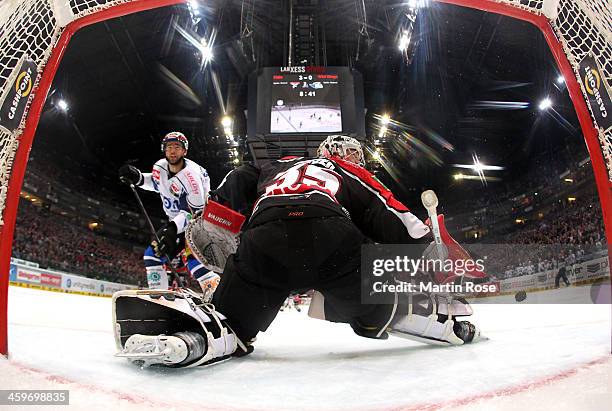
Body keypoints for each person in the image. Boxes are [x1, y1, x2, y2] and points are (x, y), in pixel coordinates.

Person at [115, 135, 485, 367]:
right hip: (331, 238)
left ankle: (190, 341)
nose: (357, 160)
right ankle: (442, 324)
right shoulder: (343, 171)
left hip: (265, 240)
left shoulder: (272, 168)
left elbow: (234, 187)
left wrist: (212, 221)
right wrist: (425, 251)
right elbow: (387, 214)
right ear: (336, 154)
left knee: (234, 326)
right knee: (376, 311)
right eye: (351, 154)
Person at [118, 131, 219, 297]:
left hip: (199, 223)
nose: (172, 151)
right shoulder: (159, 167)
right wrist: (139, 179)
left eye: (177, 147)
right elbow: (157, 183)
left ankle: (218, 294)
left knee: (194, 261)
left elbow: (196, 213)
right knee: (152, 256)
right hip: (177, 222)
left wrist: (172, 229)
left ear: (184, 151)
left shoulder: (191, 178)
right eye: (169, 147)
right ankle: (159, 297)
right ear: (164, 150)